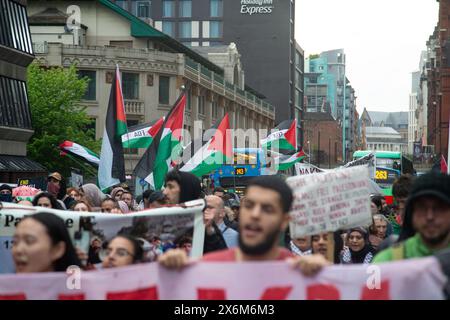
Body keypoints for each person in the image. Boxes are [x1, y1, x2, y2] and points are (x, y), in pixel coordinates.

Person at [159, 175, 330, 277]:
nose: (255, 214)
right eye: (249, 205)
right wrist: (173, 276)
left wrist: (320, 277)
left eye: (267, 209)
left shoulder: (302, 272)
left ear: (285, 221)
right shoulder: (209, 267)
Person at [373, 172, 450, 263]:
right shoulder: (386, 261)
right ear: (411, 212)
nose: (430, 216)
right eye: (422, 208)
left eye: (439, 208)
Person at [12, 212, 81, 273]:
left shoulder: (82, 286)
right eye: (15, 242)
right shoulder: (5, 287)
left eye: (29, 241)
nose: (18, 250)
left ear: (57, 249)